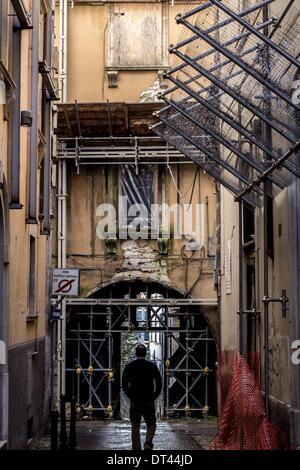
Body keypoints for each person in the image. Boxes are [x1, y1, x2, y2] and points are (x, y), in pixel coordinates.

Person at [122, 343, 162, 450]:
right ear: (145, 354)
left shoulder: (129, 367)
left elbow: (124, 384)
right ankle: (148, 444)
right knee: (151, 423)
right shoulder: (152, 366)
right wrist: (154, 395)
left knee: (135, 425)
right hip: (148, 400)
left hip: (135, 401)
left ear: (135, 354)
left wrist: (130, 395)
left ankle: (136, 448)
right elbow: (159, 383)